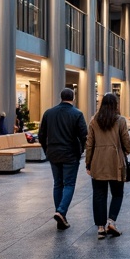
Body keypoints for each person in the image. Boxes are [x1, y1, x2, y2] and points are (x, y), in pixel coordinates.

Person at [38, 87, 88, 230]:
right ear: (73, 98)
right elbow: (84, 136)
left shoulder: (49, 113)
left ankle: (61, 215)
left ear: (60, 97)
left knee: (57, 184)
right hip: (70, 153)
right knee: (69, 184)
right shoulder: (77, 114)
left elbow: (41, 135)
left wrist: (46, 149)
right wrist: (81, 151)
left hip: (53, 153)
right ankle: (61, 211)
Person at [85, 92, 130, 239]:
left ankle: (100, 228)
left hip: (97, 163)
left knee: (99, 195)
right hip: (116, 162)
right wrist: (125, 151)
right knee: (117, 194)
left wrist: (88, 163)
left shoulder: (94, 120)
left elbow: (89, 144)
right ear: (116, 105)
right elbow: (127, 144)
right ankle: (111, 221)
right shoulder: (120, 121)